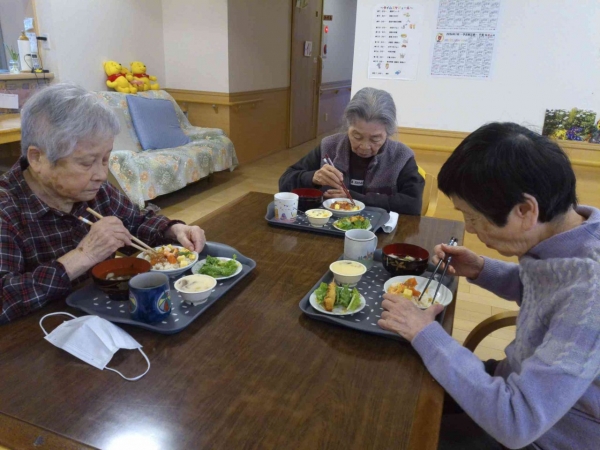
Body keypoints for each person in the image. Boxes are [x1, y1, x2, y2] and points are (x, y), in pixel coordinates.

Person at [378, 122, 600, 449]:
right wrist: (482, 269)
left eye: (472, 217)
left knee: (393, 430)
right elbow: (548, 296)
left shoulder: (591, 294)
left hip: (541, 434)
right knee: (396, 392)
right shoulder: (574, 236)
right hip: (513, 382)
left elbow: (517, 422)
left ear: (525, 210)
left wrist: (424, 331)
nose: (470, 229)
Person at [0, 83, 206, 324]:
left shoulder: (94, 190)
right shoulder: (7, 208)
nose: (100, 174)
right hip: (41, 332)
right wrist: (84, 255)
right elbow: (4, 300)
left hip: (103, 315)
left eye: (106, 159)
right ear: (37, 159)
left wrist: (174, 230)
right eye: (87, 163)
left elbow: (136, 222)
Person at [278, 87, 424, 215]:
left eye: (375, 139)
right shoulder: (330, 146)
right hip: (328, 227)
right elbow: (285, 183)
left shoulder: (401, 156)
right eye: (357, 136)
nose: (364, 146)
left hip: (379, 231)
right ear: (348, 126)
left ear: (388, 132)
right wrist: (313, 178)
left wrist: (353, 198)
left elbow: (413, 205)